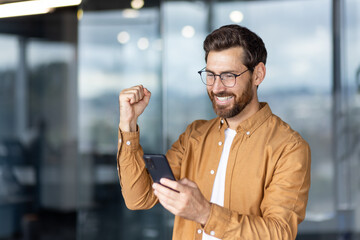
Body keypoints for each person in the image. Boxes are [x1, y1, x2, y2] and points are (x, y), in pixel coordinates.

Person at [117, 24, 311, 240]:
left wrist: (205, 213)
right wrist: (129, 123)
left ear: (258, 74)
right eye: (211, 75)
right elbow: (139, 198)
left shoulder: (289, 147)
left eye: (229, 76)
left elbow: (279, 233)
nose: (217, 87)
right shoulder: (195, 135)